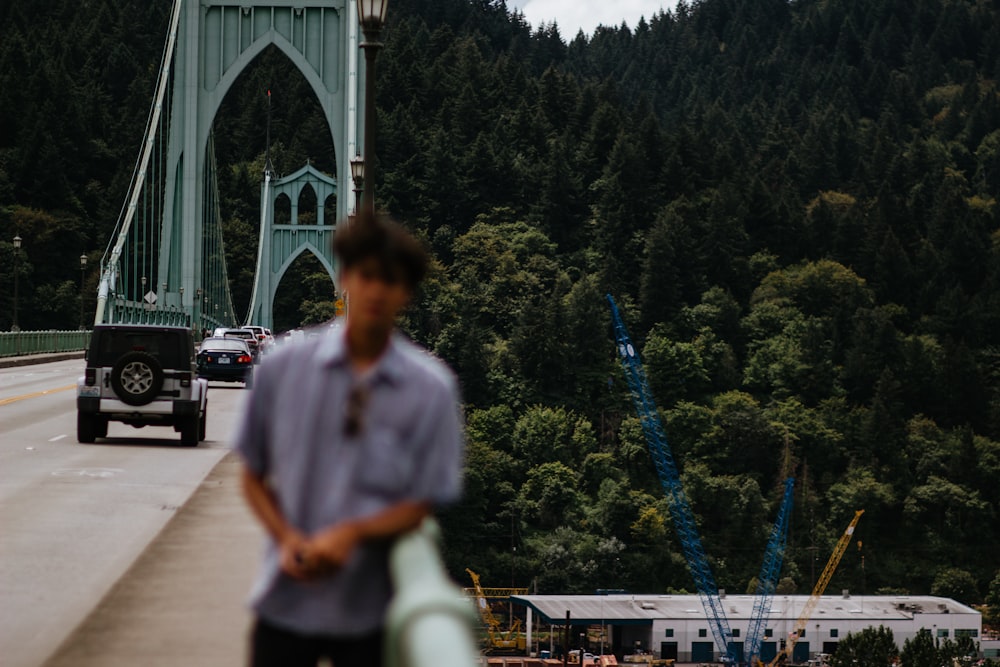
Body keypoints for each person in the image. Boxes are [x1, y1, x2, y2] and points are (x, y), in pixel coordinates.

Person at [233, 211, 465, 667]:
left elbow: (423, 501)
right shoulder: (282, 367)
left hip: (370, 617)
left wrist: (351, 533)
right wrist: (287, 540)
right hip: (285, 601)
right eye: (367, 275)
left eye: (392, 280)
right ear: (345, 277)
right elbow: (251, 475)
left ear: (408, 292)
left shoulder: (431, 388)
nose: (377, 290)